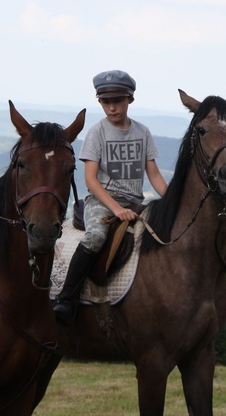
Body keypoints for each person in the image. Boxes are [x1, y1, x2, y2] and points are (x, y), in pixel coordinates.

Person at [53, 70, 167, 325]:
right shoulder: (97, 132)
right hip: (102, 201)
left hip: (135, 201)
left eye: (118, 100)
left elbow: (155, 175)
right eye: (106, 102)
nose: (112, 107)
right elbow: (91, 180)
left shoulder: (143, 132)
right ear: (100, 102)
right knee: (95, 237)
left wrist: (174, 201)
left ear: (130, 100)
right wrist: (116, 209)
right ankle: (66, 297)